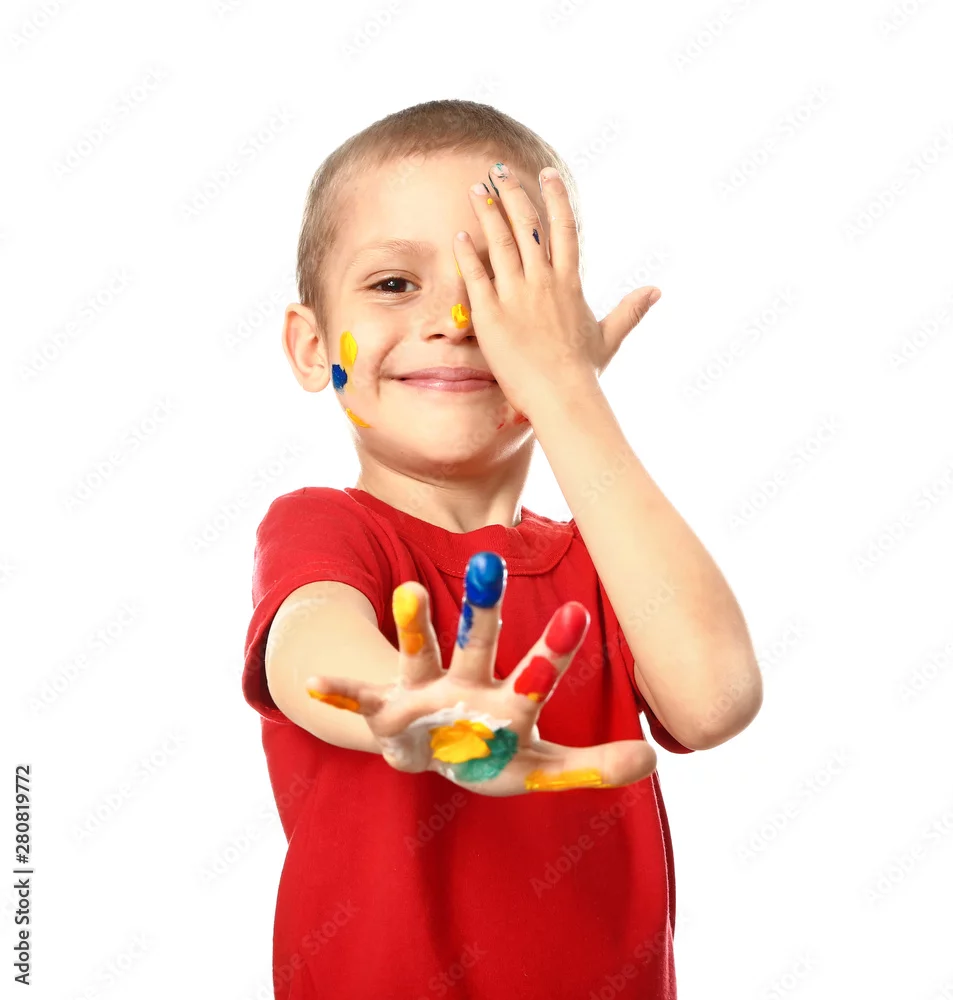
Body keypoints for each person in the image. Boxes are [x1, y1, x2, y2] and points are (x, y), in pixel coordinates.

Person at [242, 98, 763, 999]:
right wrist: (424, 708)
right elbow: (310, 648)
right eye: (393, 284)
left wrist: (564, 387)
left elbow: (714, 700)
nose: (453, 317)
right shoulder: (328, 527)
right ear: (312, 346)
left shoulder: (607, 557)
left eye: (498, 285)